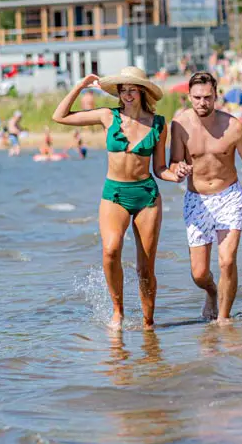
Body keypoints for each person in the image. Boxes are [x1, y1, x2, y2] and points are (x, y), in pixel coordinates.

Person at [52, 66, 191, 331]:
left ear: (142, 91)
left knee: (146, 267)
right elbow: (60, 116)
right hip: (114, 194)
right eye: (123, 90)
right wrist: (80, 86)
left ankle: (149, 323)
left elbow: (160, 168)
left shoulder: (159, 124)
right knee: (110, 250)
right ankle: (118, 312)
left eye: (132, 89)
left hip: (146, 196)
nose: (127, 95)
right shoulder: (107, 116)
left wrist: (178, 175)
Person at [170, 71, 242, 324]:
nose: (202, 103)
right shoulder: (179, 125)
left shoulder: (234, 127)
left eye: (207, 97)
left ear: (216, 95)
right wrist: (178, 169)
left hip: (228, 196)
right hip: (197, 199)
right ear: (189, 97)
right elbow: (174, 161)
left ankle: (224, 319)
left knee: (227, 261)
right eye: (197, 97)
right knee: (199, 274)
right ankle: (211, 291)